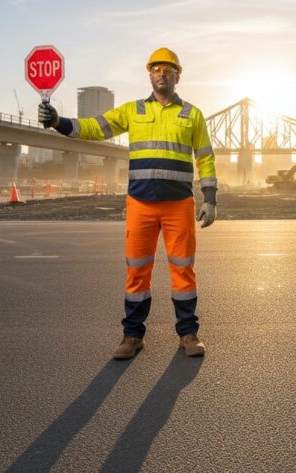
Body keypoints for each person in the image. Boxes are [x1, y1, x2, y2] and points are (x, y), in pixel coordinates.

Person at [38, 47, 217, 360]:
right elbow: (94, 128)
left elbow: (205, 158)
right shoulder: (132, 111)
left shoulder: (192, 114)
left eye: (168, 69)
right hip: (141, 204)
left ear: (178, 75)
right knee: (137, 272)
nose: (162, 73)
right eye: (156, 69)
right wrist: (57, 122)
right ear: (149, 74)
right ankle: (132, 336)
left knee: (183, 271)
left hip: (179, 204)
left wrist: (211, 198)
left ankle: (188, 333)